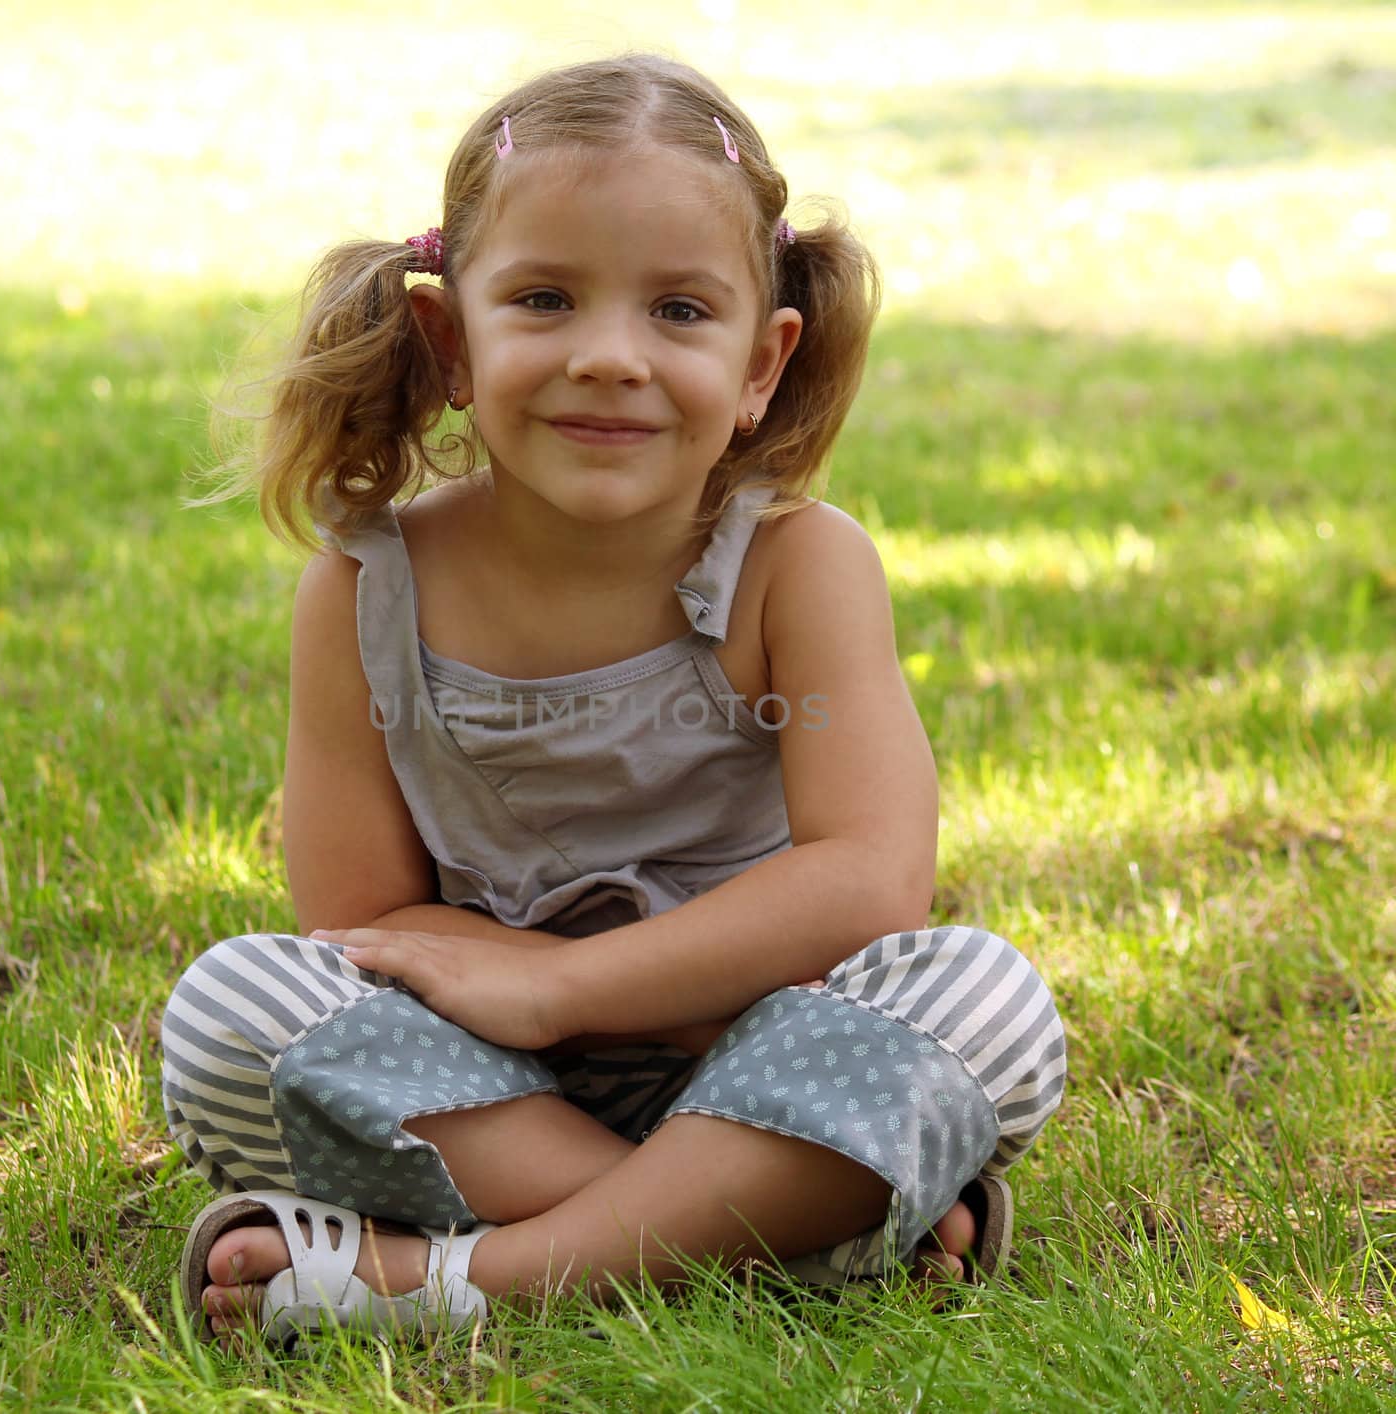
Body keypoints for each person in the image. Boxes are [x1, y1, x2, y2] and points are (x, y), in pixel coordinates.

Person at [162, 53, 1066, 1345]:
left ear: (763, 362)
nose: (609, 357)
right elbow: (360, 921)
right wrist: (529, 1010)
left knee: (980, 996)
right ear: (449, 338)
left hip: (769, 1055)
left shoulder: (797, 564)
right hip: (489, 1085)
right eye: (544, 298)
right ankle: (783, 1234)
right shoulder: (369, 589)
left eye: (680, 313)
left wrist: (568, 984)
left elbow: (869, 879)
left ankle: (458, 1278)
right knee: (236, 1007)